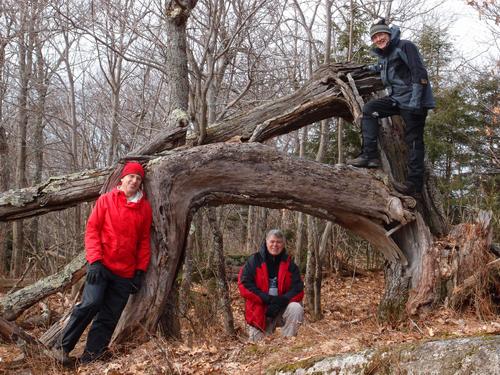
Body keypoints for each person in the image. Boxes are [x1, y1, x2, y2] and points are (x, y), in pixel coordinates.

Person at [51, 161, 152, 365]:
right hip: (101, 266)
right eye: (131, 176)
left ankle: (91, 358)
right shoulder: (106, 200)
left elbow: (143, 242)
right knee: (90, 303)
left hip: (125, 273)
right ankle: (61, 347)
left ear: (141, 184)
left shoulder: (144, 209)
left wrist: (140, 271)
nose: (134, 180)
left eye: (138, 178)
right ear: (122, 178)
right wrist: (94, 261)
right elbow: (92, 231)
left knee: (109, 316)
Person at [348, 18, 435, 196]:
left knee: (414, 141)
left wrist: (416, 103)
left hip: (413, 102)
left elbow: (420, 73)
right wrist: (358, 70)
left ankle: (414, 185)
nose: (378, 39)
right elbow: (380, 67)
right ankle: (369, 155)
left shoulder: (405, 46)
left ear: (388, 34)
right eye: (374, 37)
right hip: (396, 99)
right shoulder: (385, 55)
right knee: (370, 109)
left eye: (381, 35)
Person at [238, 229, 304, 342]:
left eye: (278, 242)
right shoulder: (254, 261)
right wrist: (267, 299)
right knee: (258, 349)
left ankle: (287, 343)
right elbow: (244, 286)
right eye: (272, 241)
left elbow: (298, 289)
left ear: (283, 244)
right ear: (266, 242)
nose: (275, 245)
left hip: (281, 308)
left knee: (296, 308)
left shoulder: (289, 264)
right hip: (260, 311)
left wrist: (281, 300)